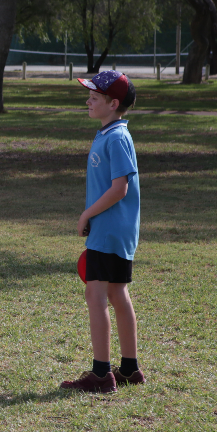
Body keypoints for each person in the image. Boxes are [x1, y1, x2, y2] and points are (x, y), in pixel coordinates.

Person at [61, 70, 146, 393]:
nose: (88, 101)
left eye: (94, 98)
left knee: (95, 295)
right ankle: (128, 369)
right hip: (116, 230)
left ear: (113, 104)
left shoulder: (117, 137)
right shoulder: (110, 133)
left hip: (109, 229)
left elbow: (119, 188)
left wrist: (86, 214)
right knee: (115, 293)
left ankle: (100, 374)